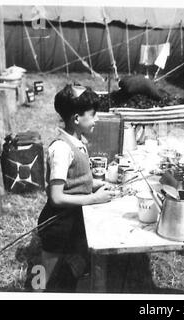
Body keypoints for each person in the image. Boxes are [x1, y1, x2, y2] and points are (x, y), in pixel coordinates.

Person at [37, 84, 116, 292]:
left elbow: (76, 178)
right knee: (44, 277)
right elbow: (56, 197)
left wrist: (95, 184)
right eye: (93, 114)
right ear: (76, 119)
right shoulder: (61, 148)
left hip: (74, 219)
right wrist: (93, 198)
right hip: (58, 224)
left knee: (71, 268)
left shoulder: (78, 140)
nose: (97, 119)